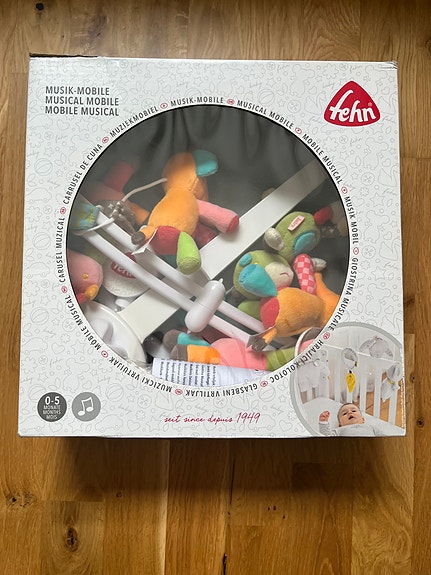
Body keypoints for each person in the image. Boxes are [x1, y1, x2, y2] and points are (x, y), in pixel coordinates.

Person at [319, 402, 386, 436]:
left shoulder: (371, 427)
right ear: (340, 424)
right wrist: (323, 422)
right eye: (344, 413)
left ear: (362, 420)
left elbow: (385, 439)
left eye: (353, 411)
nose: (349, 412)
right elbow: (326, 437)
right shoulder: (339, 430)